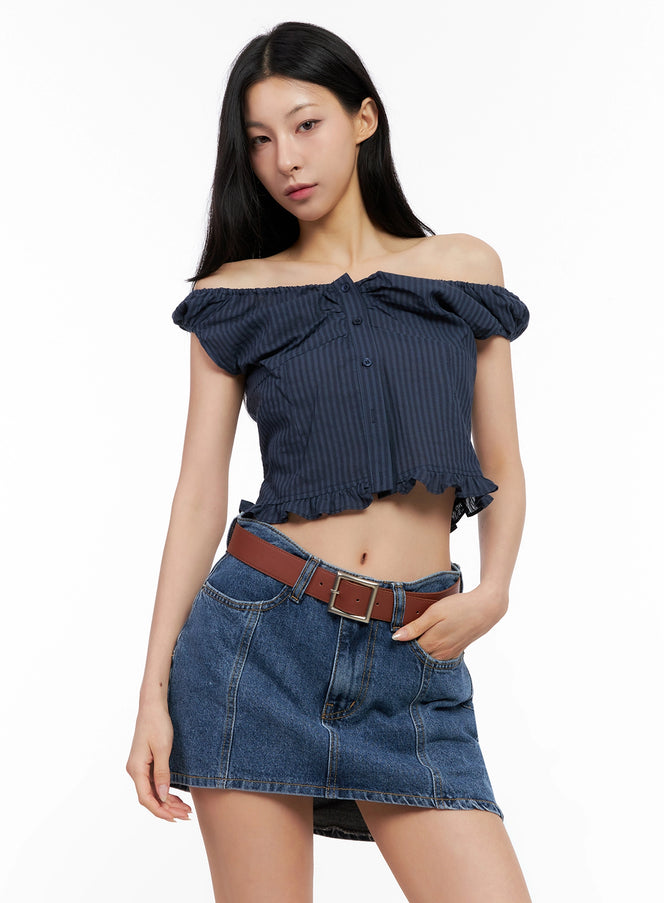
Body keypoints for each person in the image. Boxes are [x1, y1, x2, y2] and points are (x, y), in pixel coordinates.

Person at [126, 20, 533, 903]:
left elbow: (502, 458)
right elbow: (197, 496)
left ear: (364, 119)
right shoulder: (233, 296)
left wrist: (495, 590)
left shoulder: (463, 269)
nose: (285, 159)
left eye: (306, 124)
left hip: (415, 655)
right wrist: (152, 693)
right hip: (258, 646)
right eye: (260, 139)